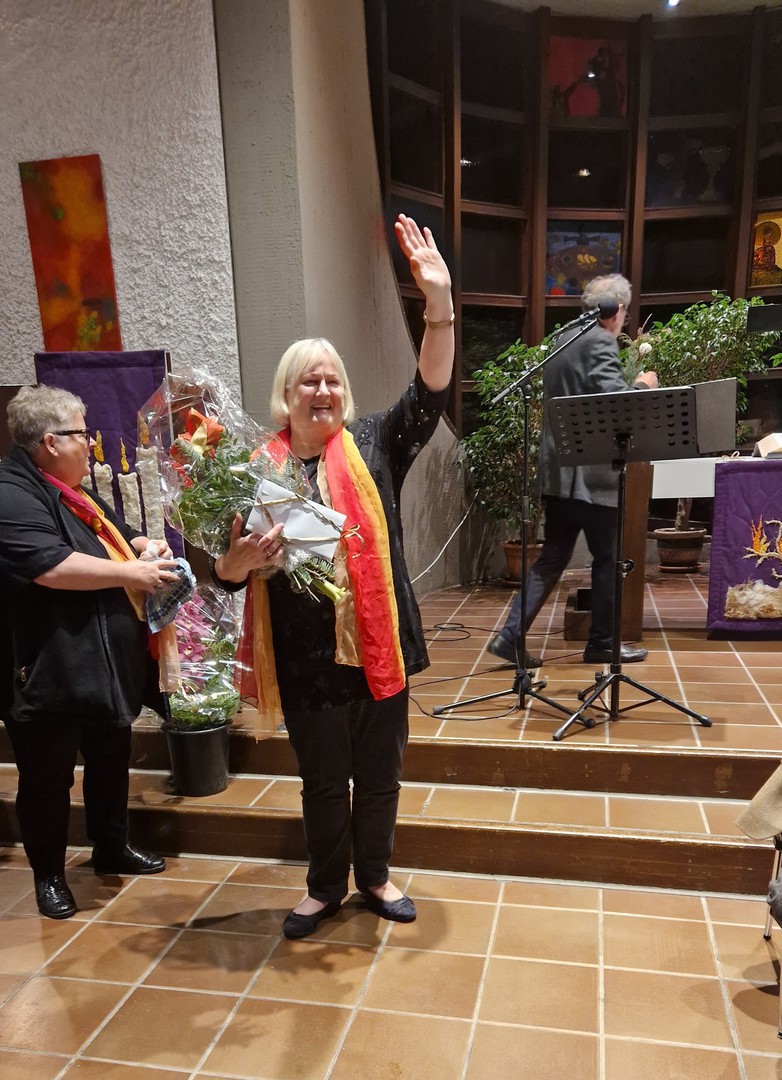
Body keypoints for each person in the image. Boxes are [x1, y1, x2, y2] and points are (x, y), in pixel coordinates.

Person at [213, 213, 453, 938]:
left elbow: (430, 391)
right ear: (286, 396)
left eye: (332, 379)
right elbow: (224, 571)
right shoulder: (253, 471)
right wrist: (241, 562)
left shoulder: (375, 442)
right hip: (307, 657)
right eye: (308, 381)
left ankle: (374, 876)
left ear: (343, 393)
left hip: (379, 650)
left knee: (380, 777)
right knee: (321, 782)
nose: (322, 389)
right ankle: (324, 887)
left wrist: (438, 304)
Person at [0, 385, 179, 919]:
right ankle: (49, 876)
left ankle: (111, 846)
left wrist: (143, 545)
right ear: (51, 442)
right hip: (48, 672)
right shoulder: (10, 493)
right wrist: (132, 572)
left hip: (101, 666)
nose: (93, 443)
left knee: (110, 760)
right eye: (83, 433)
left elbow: (113, 534)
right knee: (47, 780)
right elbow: (51, 566)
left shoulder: (71, 489)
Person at [487, 273, 658, 669]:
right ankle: (602, 644)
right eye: (624, 313)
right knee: (609, 560)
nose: (624, 320)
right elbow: (616, 403)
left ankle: (510, 636)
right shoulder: (599, 341)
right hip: (592, 477)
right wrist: (643, 385)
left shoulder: (562, 340)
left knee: (551, 557)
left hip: (559, 474)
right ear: (615, 310)